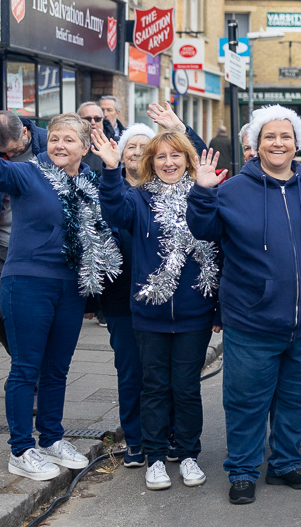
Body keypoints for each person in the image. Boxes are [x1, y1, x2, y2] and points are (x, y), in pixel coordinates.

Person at [0, 99, 123, 481]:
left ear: (86, 148)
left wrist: (114, 169)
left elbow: (113, 214)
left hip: (70, 287)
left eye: (69, 139)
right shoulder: (27, 174)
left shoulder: (88, 183)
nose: (60, 145)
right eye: (54, 139)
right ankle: (21, 448)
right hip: (28, 282)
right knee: (26, 369)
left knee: (57, 369)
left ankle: (52, 438)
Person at [187, 106, 301, 504]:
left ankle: (284, 464)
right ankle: (243, 471)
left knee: (296, 400)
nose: (278, 143)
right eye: (269, 136)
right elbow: (202, 230)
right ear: (254, 143)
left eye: (285, 136)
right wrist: (201, 191)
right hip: (252, 320)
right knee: (246, 402)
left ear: (296, 143)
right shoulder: (232, 190)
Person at [95, 127, 220, 491]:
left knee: (185, 388)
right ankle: (153, 459)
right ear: (151, 162)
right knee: (153, 388)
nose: (168, 162)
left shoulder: (203, 195)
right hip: (149, 314)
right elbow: (114, 211)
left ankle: (188, 454)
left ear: (186, 159)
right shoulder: (138, 199)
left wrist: (206, 189)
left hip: (194, 314)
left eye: (175, 155)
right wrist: (110, 169)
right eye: (161, 156)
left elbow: (217, 241)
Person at [0, 111, 47, 353]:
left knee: (33, 315)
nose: (10, 156)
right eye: (5, 152)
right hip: (0, 246)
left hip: (39, 248)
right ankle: (23, 362)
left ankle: (29, 367)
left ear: (25, 132)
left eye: (14, 151)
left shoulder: (49, 146)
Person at [78, 102, 109, 174]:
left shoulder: (114, 143)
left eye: (97, 119)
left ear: (102, 120)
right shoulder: (70, 145)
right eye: (87, 119)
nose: (93, 122)